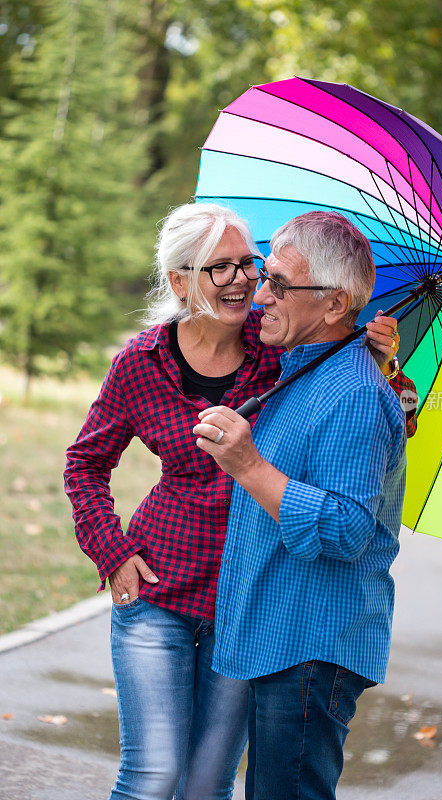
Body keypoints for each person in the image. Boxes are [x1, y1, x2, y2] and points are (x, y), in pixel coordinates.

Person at [64, 203, 412, 800]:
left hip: (247, 606)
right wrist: (111, 551)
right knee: (153, 776)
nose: (244, 283)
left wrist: (384, 366)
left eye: (248, 266)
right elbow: (85, 463)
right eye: (217, 268)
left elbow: (370, 427)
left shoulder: (288, 343)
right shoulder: (140, 364)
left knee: (208, 785)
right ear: (180, 282)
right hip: (163, 589)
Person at [194, 210, 407, 800]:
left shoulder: (355, 395)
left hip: (311, 644)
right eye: (266, 277)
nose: (261, 296)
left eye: (280, 285)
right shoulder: (304, 371)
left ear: (336, 305)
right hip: (283, 636)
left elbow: (346, 529)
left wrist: (248, 466)